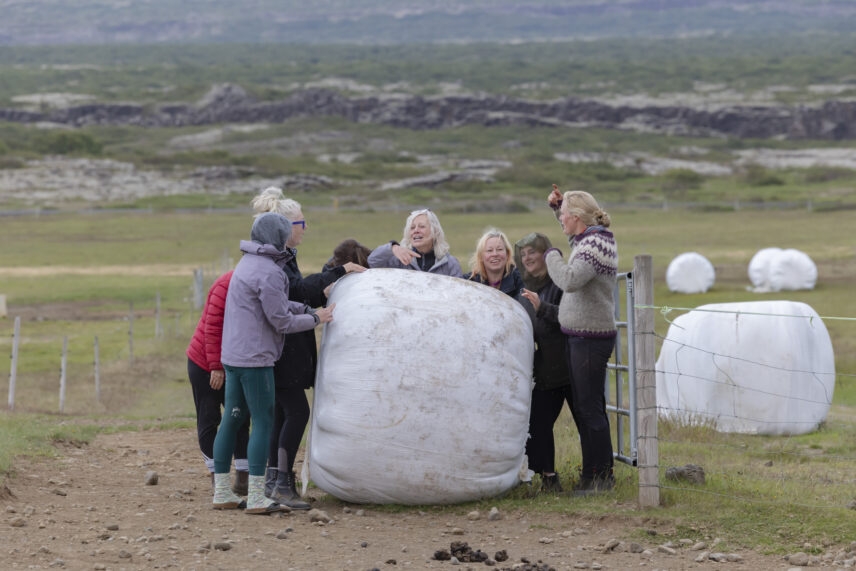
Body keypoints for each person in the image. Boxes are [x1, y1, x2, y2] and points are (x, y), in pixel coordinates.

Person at [250, 188, 365, 510]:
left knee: (282, 414)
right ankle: (282, 483)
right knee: (296, 412)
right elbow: (295, 292)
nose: (305, 227)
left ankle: (275, 481)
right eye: (301, 222)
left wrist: (318, 292)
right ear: (286, 227)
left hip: (281, 349)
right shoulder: (277, 262)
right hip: (283, 350)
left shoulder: (281, 258)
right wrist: (339, 272)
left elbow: (295, 295)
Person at [212, 212, 334, 514]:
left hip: (233, 356)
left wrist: (304, 307)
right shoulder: (270, 271)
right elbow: (279, 319)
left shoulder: (247, 263)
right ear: (279, 238)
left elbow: (275, 301)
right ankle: (256, 497)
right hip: (256, 360)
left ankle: (222, 492)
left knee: (232, 418)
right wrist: (316, 318)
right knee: (264, 421)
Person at [543, 184, 618, 496]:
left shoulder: (594, 246)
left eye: (563, 215)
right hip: (583, 336)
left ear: (576, 217)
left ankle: (601, 478)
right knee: (588, 408)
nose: (561, 220)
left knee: (590, 410)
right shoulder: (590, 239)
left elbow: (570, 279)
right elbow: (574, 238)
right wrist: (557, 207)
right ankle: (592, 476)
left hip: (590, 339)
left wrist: (551, 256)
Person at [185, 270, 250, 496]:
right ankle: (217, 479)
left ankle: (243, 476)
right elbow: (212, 328)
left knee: (239, 415)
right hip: (205, 363)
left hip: (232, 363)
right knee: (209, 417)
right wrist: (216, 366)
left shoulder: (257, 281)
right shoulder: (226, 285)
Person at [516, 232, 571, 493]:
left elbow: (572, 317)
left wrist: (543, 308)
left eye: (533, 252)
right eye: (523, 254)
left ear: (545, 254)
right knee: (539, 422)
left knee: (581, 418)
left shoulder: (558, 283)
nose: (527, 258)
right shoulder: (523, 284)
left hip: (565, 364)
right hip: (540, 366)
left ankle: (598, 474)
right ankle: (546, 476)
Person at [368, 209, 463, 277]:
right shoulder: (400, 260)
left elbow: (457, 295)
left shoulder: (450, 264)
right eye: (412, 228)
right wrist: (393, 248)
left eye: (422, 226)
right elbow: (372, 262)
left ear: (435, 231)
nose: (416, 231)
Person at [464, 228, 523, 297]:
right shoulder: (468, 282)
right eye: (489, 250)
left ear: (507, 254)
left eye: (499, 249)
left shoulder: (520, 279)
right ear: (481, 257)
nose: (495, 254)